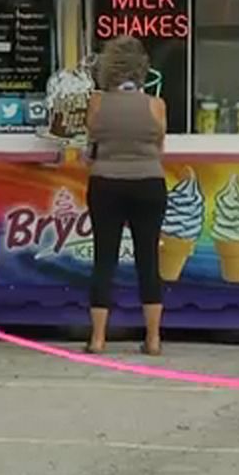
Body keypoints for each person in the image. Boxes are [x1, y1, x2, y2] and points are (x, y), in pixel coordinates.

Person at [84, 36, 167, 356]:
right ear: (142, 68)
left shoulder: (97, 103)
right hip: (149, 184)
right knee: (148, 260)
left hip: (106, 182)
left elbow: (91, 150)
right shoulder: (156, 105)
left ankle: (98, 339)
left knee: (104, 259)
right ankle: (154, 338)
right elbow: (160, 150)